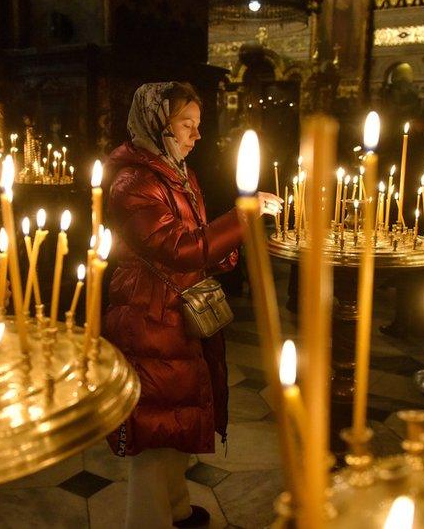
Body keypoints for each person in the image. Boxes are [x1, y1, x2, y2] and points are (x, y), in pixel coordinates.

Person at [103, 82, 280, 528]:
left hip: (174, 311)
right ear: (158, 123)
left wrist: (225, 249)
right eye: (187, 124)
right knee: (155, 431)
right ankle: (146, 521)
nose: (195, 135)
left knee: (175, 422)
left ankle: (176, 509)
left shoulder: (176, 171)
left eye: (198, 126)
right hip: (147, 313)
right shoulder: (133, 181)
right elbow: (176, 248)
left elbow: (198, 238)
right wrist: (241, 216)